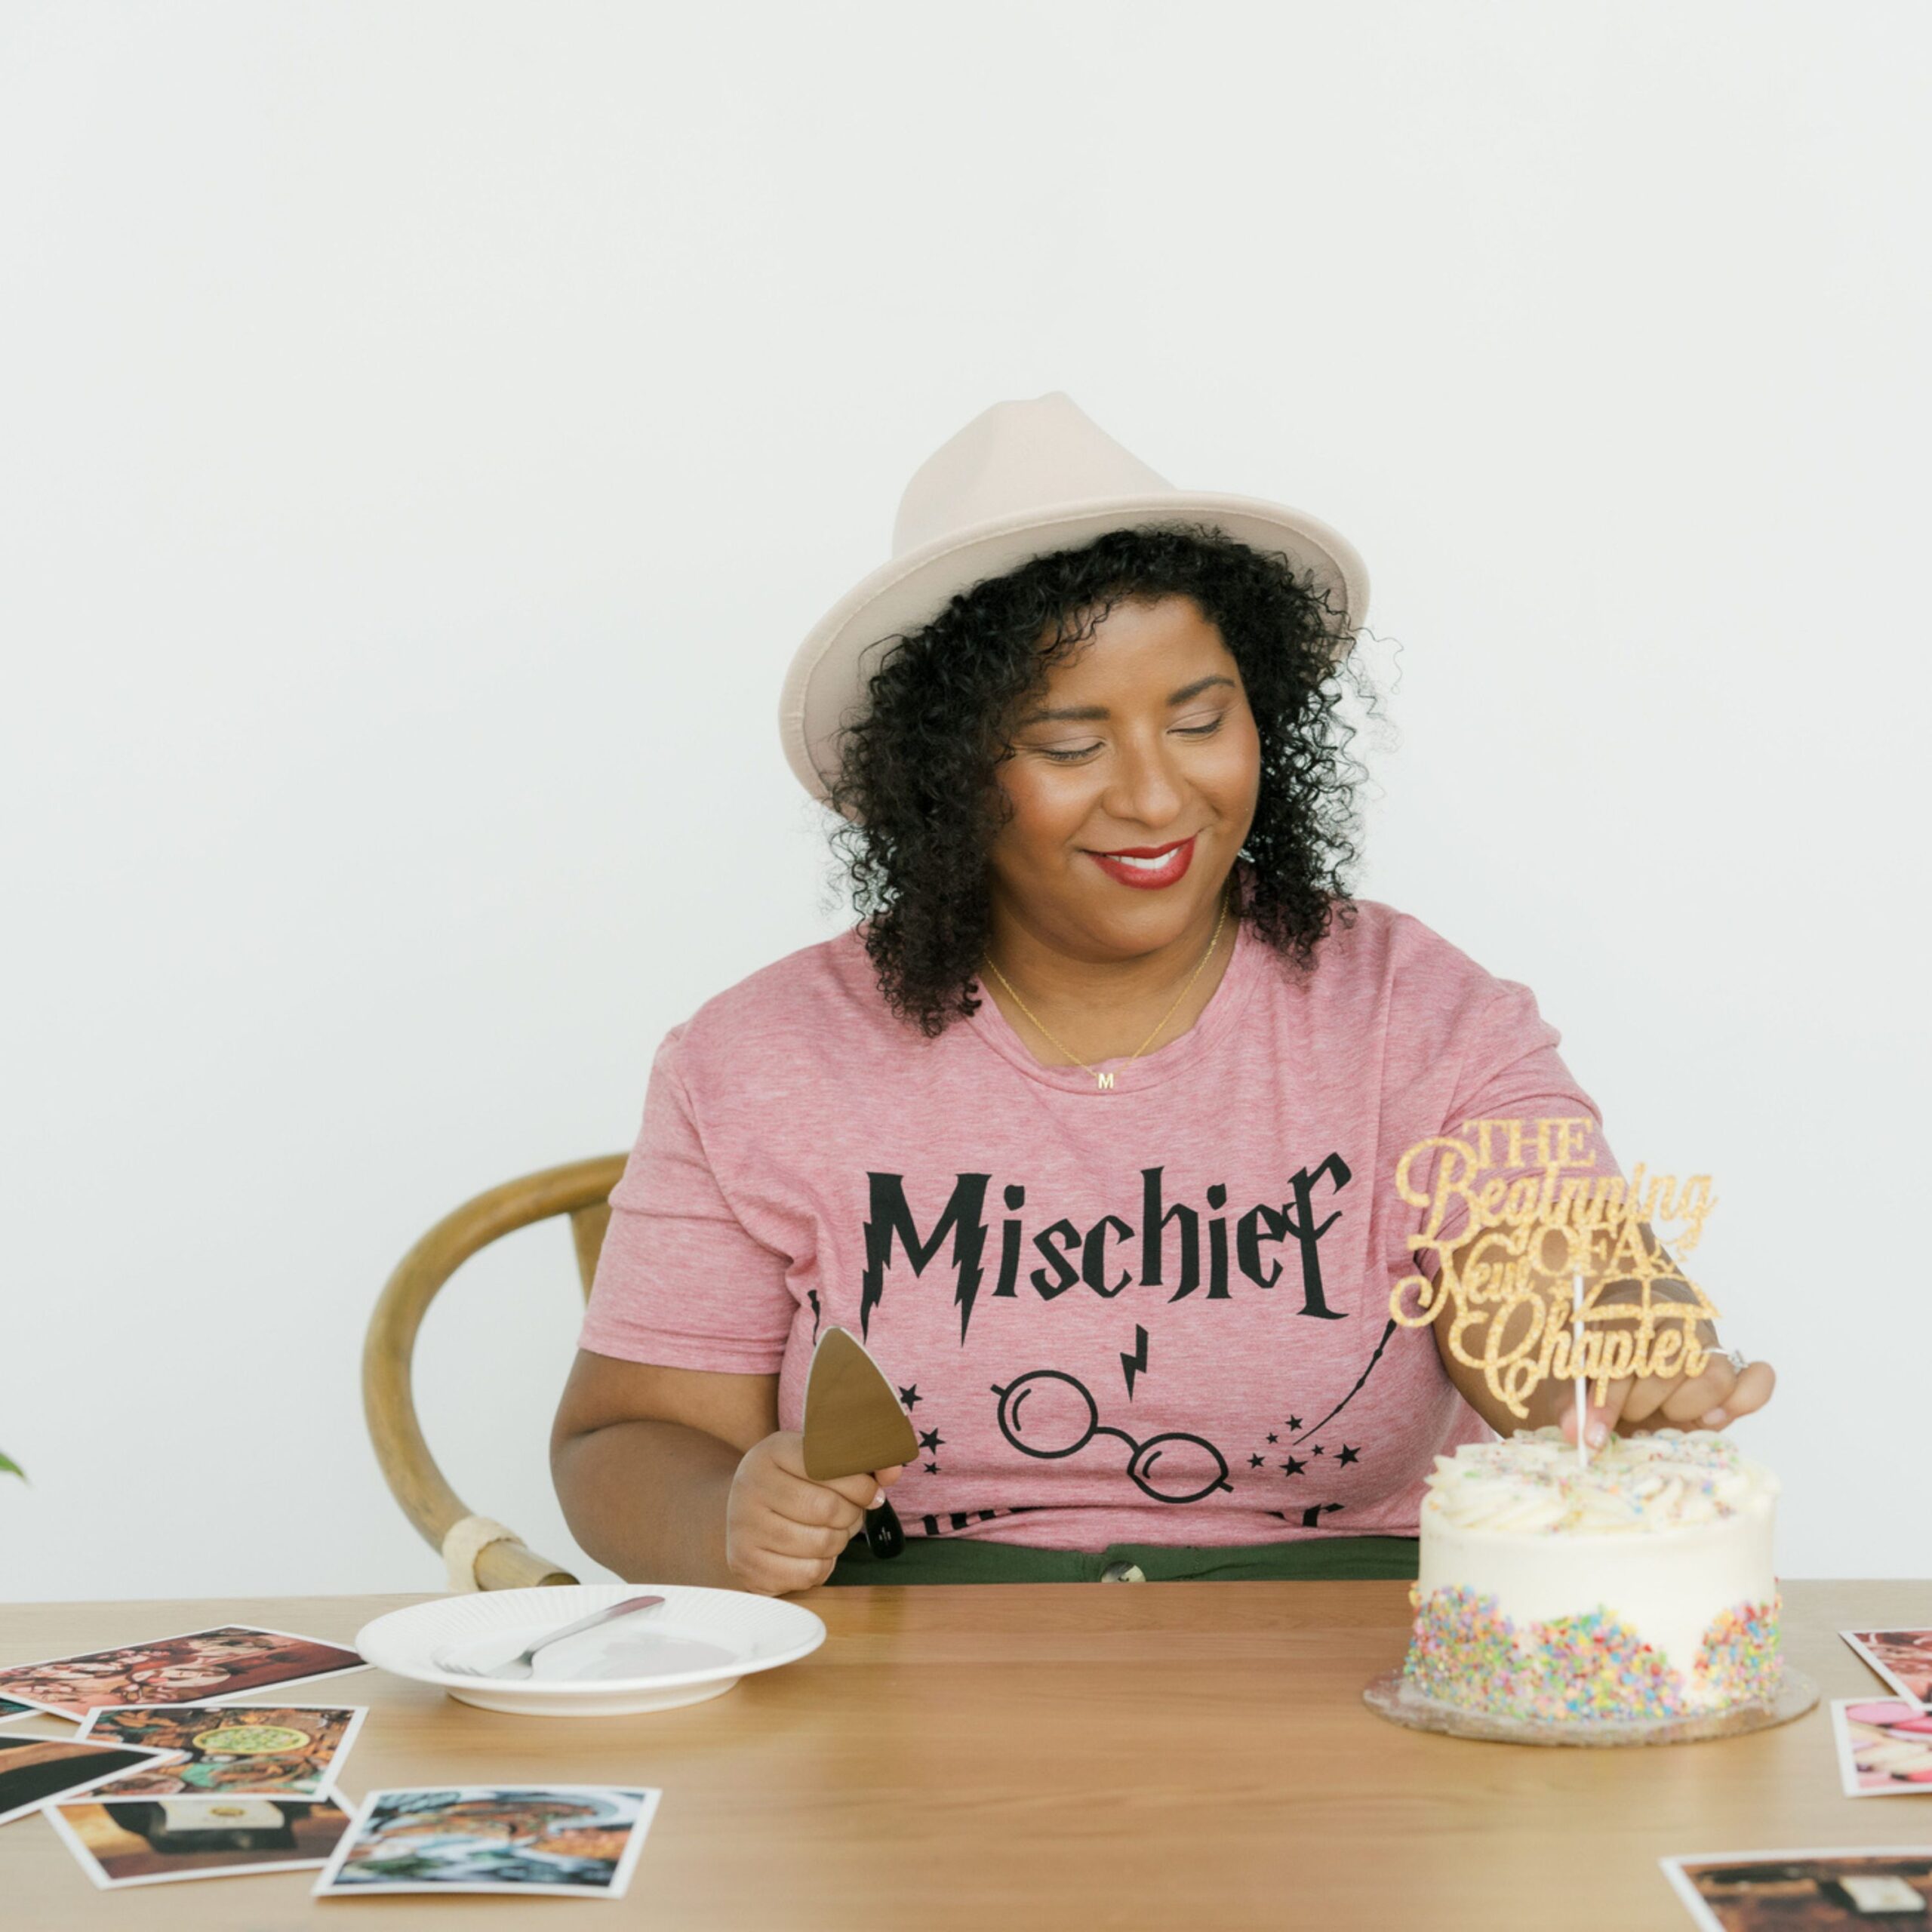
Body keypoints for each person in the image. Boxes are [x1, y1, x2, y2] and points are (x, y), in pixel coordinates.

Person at [550, 392, 1776, 1594]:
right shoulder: (761, 1056)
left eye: (1200, 720)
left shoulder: (1423, 1016)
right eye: (1072, 747)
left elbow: (1547, 1291)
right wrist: (726, 1519)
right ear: (945, 777)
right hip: (912, 1678)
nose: (1153, 798)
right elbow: (624, 1442)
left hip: (1338, 1671)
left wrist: (1615, 1350)